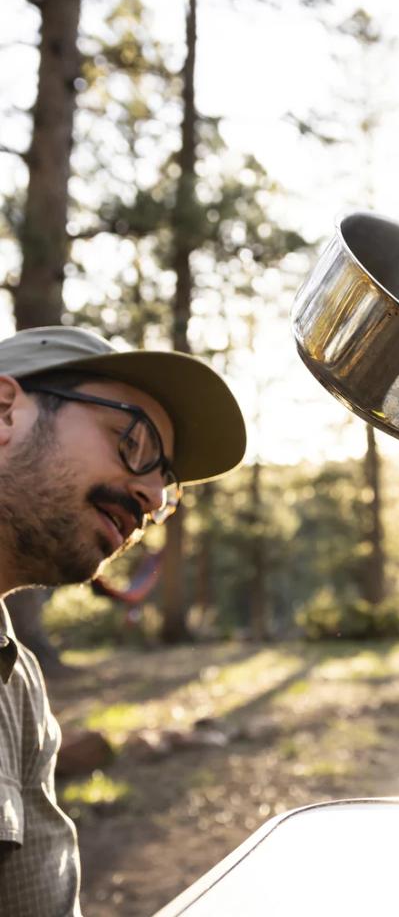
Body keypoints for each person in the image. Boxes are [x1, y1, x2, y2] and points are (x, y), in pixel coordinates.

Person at [0, 325, 246, 916]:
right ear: (5, 412)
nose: (153, 498)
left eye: (168, 486)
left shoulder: (18, 686)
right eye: (132, 440)